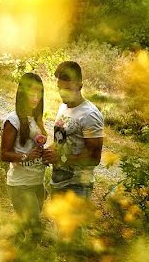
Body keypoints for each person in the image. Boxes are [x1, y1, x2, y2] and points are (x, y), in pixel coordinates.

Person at [43, 61, 104, 200]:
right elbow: (61, 141)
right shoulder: (63, 108)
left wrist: (60, 159)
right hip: (58, 183)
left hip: (77, 188)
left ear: (80, 86)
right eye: (59, 88)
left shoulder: (90, 115)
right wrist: (48, 152)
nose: (62, 93)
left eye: (68, 89)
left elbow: (94, 158)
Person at [0, 73, 47, 239]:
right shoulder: (13, 120)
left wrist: (46, 155)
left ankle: (11, 260)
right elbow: (4, 154)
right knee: (35, 233)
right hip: (21, 185)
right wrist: (26, 156)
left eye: (39, 93)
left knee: (23, 228)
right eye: (31, 93)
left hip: (37, 184)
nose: (35, 98)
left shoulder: (36, 118)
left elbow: (37, 148)